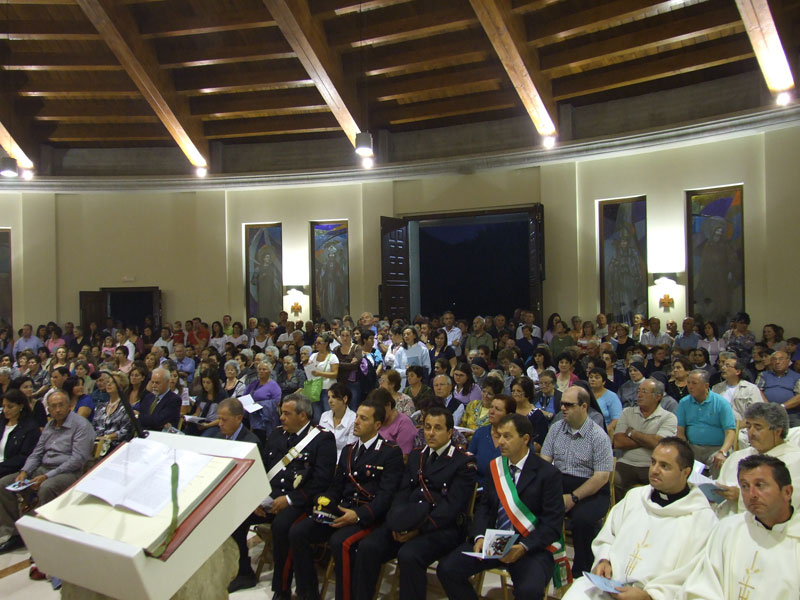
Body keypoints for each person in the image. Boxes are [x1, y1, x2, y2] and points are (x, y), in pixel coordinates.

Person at [563, 437, 718, 600]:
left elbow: (694, 575)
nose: (655, 470)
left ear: (685, 472)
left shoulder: (701, 518)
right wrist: (604, 559)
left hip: (655, 597)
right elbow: (608, 536)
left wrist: (649, 596)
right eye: (653, 462)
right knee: (578, 592)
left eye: (664, 466)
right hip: (610, 587)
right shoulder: (636, 497)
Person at [356, 406, 477, 600]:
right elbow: (402, 492)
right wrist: (397, 522)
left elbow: (452, 507)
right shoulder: (416, 456)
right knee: (368, 546)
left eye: (437, 428)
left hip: (441, 527)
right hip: (407, 521)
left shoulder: (462, 463)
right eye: (427, 427)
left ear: (450, 432)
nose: (430, 433)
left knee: (409, 555)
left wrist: (418, 529)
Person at [438, 414, 564, 600]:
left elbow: (552, 524)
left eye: (507, 436)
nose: (501, 442)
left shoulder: (548, 474)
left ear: (525, 439)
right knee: (447, 569)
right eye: (499, 436)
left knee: (529, 591)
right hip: (496, 542)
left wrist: (523, 547)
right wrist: (480, 536)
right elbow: (485, 507)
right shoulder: (495, 467)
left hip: (530, 545)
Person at [289, 397, 403, 600]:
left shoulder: (390, 453)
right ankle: (308, 593)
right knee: (299, 531)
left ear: (377, 425)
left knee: (341, 542)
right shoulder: (349, 451)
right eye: (357, 416)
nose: (356, 422)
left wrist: (359, 515)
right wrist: (325, 501)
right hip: (343, 511)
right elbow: (337, 487)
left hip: (368, 516)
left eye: (364, 418)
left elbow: (387, 496)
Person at [649, 455, 799, 599]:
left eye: (760, 485)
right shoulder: (728, 529)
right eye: (745, 486)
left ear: (787, 492)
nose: (751, 494)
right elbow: (703, 585)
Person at [229, 394, 336, 594]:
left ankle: (281, 588)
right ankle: (243, 572)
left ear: (303, 416)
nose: (281, 418)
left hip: (298, 500)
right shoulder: (278, 434)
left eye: (286, 414)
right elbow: (262, 469)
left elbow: (321, 481)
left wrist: (289, 500)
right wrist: (255, 499)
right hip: (270, 497)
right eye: (281, 413)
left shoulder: (322, 439)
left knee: (283, 526)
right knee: (235, 513)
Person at [0, 391, 95, 553]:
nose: (57, 409)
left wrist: (46, 476)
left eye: (61, 405)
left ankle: (43, 535)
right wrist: (24, 471)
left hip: (69, 472)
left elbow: (77, 459)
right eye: (53, 406)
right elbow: (37, 453)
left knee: (46, 487)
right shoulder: (50, 425)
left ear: (70, 406)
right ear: (48, 409)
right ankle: (16, 533)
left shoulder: (81, 426)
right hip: (42, 468)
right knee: (4, 484)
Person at [541, 385, 613, 576]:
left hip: (591, 489)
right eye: (562, 404)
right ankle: (540, 563)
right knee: (532, 505)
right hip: (559, 482)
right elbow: (545, 464)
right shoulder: (556, 429)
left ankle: (582, 570)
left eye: (569, 405)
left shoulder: (598, 436)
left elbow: (601, 477)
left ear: (583, 407)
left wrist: (573, 498)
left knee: (583, 521)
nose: (563, 408)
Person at [715, 403, 800, 517]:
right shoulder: (737, 456)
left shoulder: (795, 460)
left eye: (758, 427)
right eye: (749, 426)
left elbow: (791, 501)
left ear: (778, 431)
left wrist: (741, 497)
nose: (751, 432)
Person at [612, 378, 679, 502]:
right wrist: (649, 438)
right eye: (639, 391)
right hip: (627, 462)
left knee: (662, 484)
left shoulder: (668, 417)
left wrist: (633, 433)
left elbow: (660, 444)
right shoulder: (627, 412)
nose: (639, 395)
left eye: (644, 391)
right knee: (612, 479)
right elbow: (618, 442)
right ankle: (622, 514)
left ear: (657, 396)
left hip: (651, 464)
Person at [676, 369, 736, 477]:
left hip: (717, 448)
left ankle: (715, 492)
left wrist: (722, 452)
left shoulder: (721, 403)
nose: (690, 386)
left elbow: (730, 432)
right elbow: (680, 431)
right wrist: (684, 449)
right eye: (688, 383)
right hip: (693, 447)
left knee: (719, 463)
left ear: (706, 385)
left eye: (694, 383)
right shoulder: (684, 402)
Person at [712, 356, 762, 445]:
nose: (723, 368)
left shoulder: (751, 389)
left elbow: (756, 414)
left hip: (742, 429)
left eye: (727, 366)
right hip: (719, 428)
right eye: (723, 365)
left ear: (738, 371)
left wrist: (736, 427)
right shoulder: (716, 388)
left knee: (738, 438)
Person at [468, 394, 516, 487]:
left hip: (506, 490)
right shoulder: (480, 433)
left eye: (497, 409)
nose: (491, 412)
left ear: (509, 415)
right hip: (478, 488)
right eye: (491, 407)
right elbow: (468, 462)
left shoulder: (517, 438)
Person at [0, 389, 41, 478]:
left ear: (21, 406)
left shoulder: (30, 428)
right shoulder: (1, 423)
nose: (5, 410)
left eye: (10, 407)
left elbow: (23, 457)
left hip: (10, 470)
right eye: (3, 406)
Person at [755, 349, 800, 427]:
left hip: (790, 414)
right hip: (767, 413)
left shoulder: (797, 376)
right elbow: (757, 391)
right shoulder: (763, 375)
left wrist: (781, 407)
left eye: (781, 359)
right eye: (774, 359)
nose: (777, 362)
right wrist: (769, 407)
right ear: (771, 362)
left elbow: (798, 397)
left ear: (788, 361)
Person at [92, 371, 134, 451]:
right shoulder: (100, 406)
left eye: (113, 383)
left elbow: (124, 431)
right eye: (108, 382)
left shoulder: (126, 408)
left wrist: (106, 437)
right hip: (96, 445)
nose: (109, 384)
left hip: (114, 447)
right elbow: (93, 426)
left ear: (121, 387)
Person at [242, 360, 281, 444]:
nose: (261, 371)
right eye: (259, 369)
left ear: (269, 371)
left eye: (264, 369)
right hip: (249, 414)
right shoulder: (253, 384)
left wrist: (260, 404)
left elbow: (277, 402)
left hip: (263, 418)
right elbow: (244, 396)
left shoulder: (273, 385)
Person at [305, 332, 339, 423]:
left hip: (327, 389)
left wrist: (320, 373)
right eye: (316, 343)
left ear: (326, 343)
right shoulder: (313, 356)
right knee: (316, 415)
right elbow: (309, 370)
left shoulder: (333, 357)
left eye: (319, 343)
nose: (317, 345)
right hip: (315, 388)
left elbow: (335, 374)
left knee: (328, 413)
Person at [133, 366, 180, 432]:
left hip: (161, 436)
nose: (153, 386)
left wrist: (138, 416)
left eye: (157, 383)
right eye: (152, 382)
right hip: (142, 433)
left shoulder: (174, 399)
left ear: (167, 382)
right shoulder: (148, 397)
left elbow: (157, 421)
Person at [373, 387, 416, 459]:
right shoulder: (376, 420)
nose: (377, 414)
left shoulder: (404, 424)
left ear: (388, 405)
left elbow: (404, 458)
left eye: (379, 410)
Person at [319, 382, 357, 460]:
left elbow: (350, 449)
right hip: (323, 458)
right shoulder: (324, 416)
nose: (330, 401)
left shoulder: (354, 419)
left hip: (343, 461)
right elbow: (319, 442)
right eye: (328, 397)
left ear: (345, 399)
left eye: (334, 397)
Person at [510, 376, 549, 448]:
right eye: (513, 391)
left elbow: (539, 444)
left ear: (527, 393)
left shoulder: (537, 415)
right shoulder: (509, 411)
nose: (515, 394)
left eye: (519, 391)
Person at [588, 367, 622, 436]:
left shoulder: (612, 396)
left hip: (604, 432)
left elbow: (616, 419)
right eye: (591, 377)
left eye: (597, 378)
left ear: (603, 382)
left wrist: (604, 433)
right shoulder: (585, 394)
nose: (593, 379)